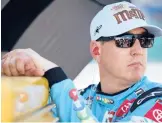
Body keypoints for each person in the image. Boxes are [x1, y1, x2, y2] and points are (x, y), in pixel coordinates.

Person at [2, 1, 162, 122]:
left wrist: (54, 73)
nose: (138, 50)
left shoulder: (157, 100)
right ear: (96, 50)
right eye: (125, 41)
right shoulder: (83, 97)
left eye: (145, 40)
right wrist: (23, 66)